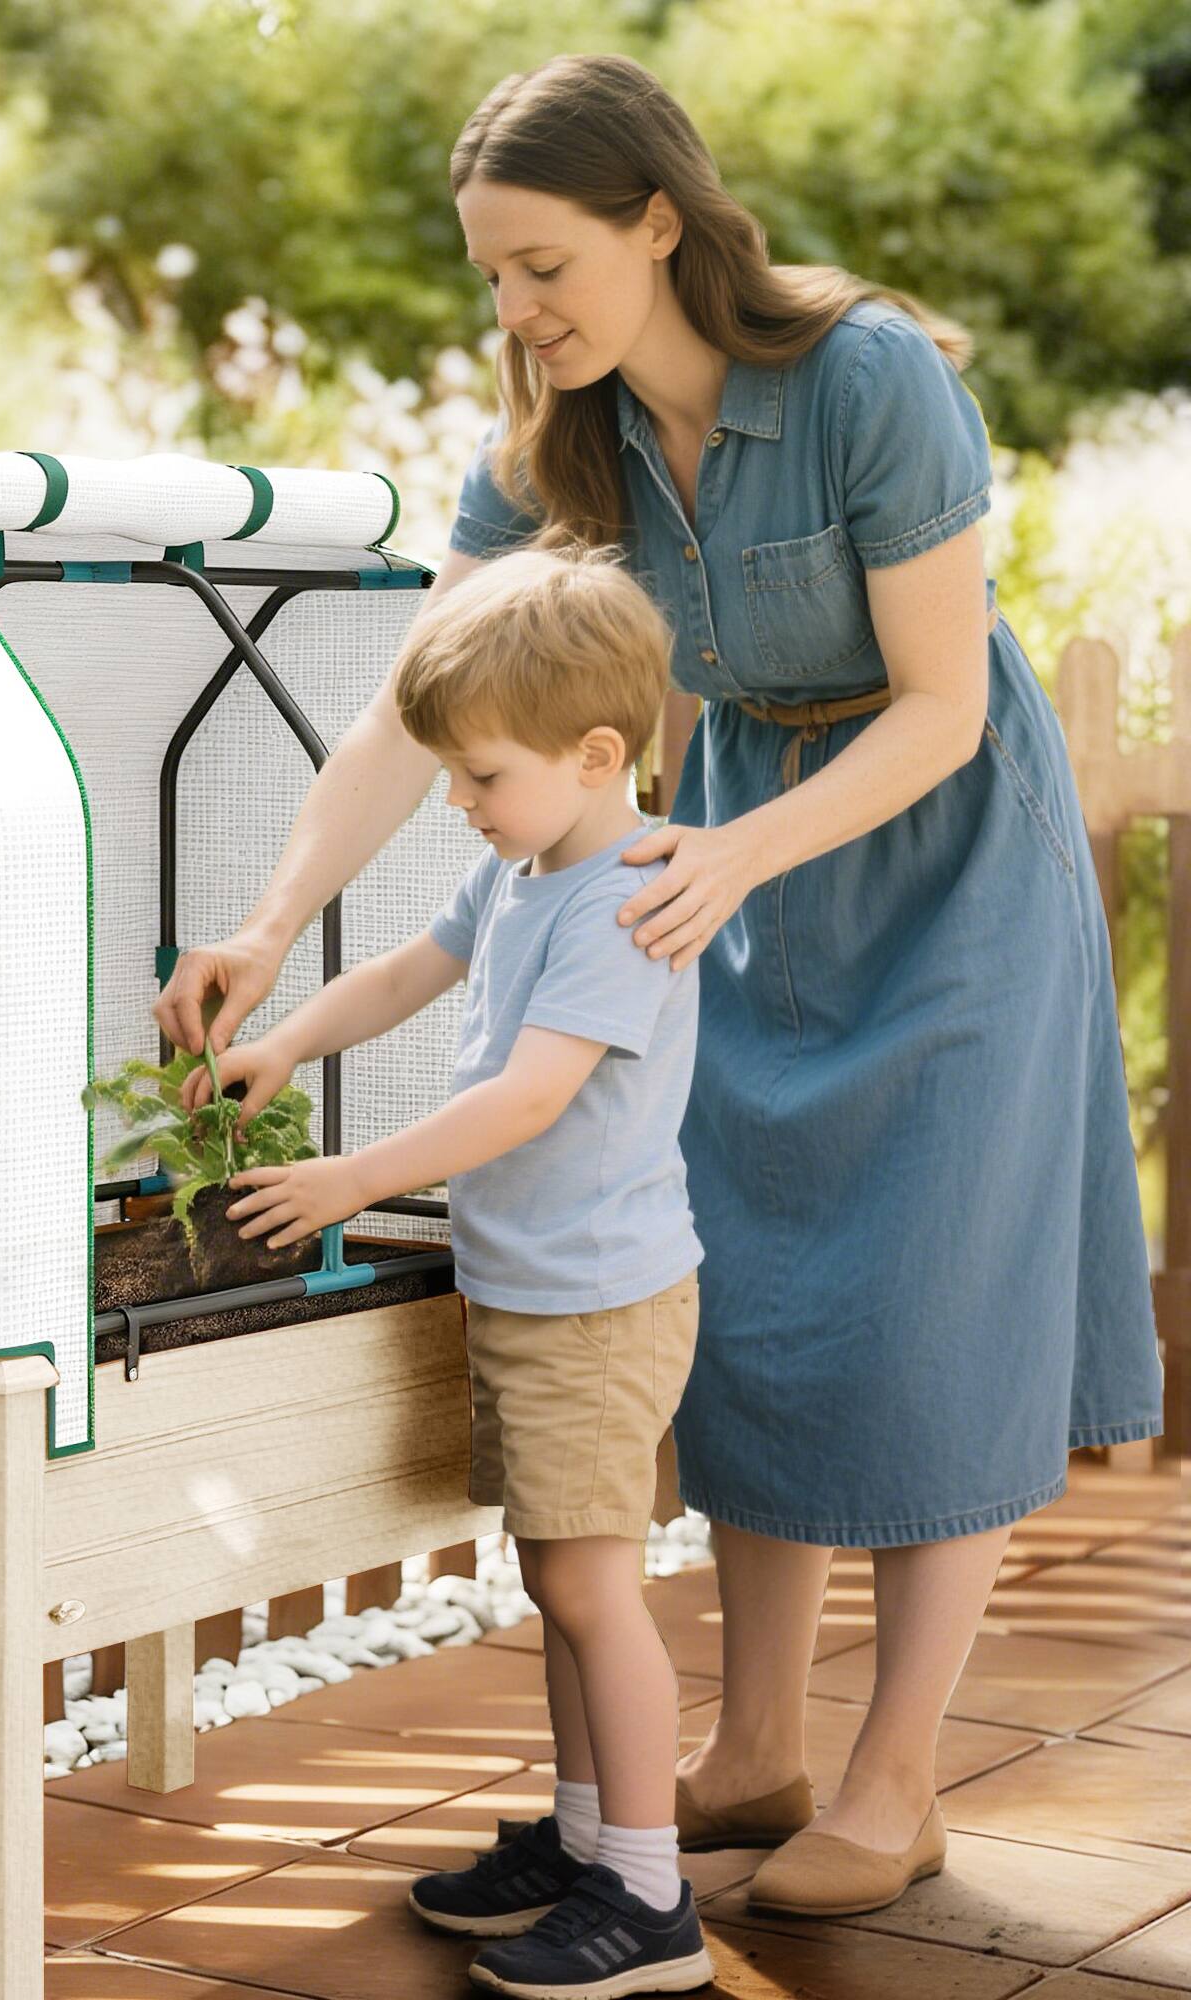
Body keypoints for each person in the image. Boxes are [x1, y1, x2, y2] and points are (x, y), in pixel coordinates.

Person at [158, 50, 1163, 1928]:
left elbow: (943, 704)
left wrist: (736, 855)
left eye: (544, 266)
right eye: (490, 278)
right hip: (717, 867)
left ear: (658, 222)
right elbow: (417, 700)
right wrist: (276, 921)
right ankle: (760, 1747)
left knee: (929, 1308)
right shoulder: (559, 443)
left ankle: (896, 1780)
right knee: (758, 1293)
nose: (517, 315)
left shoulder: (867, 378)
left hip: (926, 855)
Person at [186, 544, 713, 1998]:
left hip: (599, 1302)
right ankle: (592, 1840)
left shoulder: (622, 900)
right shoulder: (534, 868)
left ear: (597, 753)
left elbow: (528, 1099)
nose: (462, 807)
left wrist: (356, 1176)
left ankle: (651, 1901)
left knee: (600, 1592)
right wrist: (290, 1034)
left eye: (480, 777)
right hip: (542, 1287)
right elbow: (413, 970)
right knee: (561, 1579)